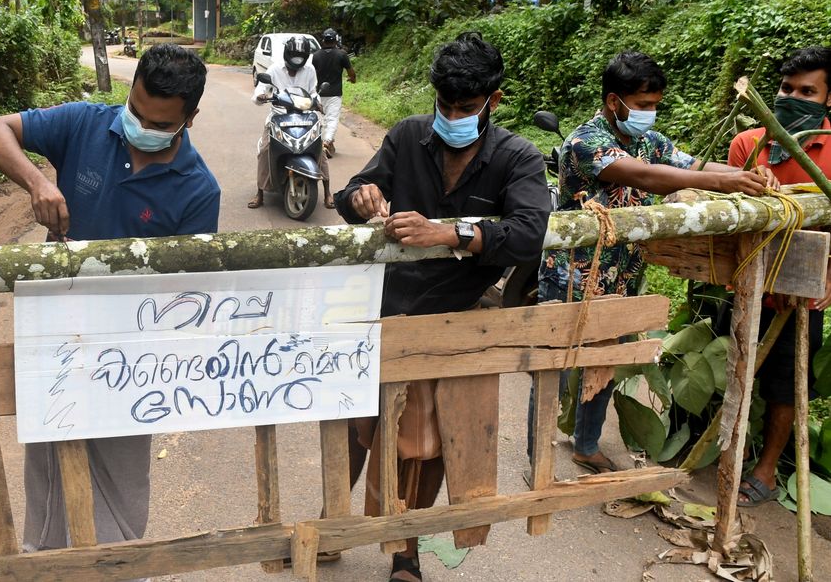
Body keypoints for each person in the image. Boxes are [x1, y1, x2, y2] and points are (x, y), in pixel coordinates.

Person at [0, 44, 220, 553]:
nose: (141, 126)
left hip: (133, 354)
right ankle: (47, 560)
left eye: (160, 123)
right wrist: (38, 181)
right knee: (49, 456)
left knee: (121, 469)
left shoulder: (199, 191)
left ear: (189, 118)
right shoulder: (85, 123)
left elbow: (187, 294)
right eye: (136, 112)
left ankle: (118, 561)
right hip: (55, 335)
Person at [334, 32, 551, 582]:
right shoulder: (408, 136)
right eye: (446, 105)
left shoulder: (518, 157)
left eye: (467, 108)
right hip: (380, 308)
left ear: (493, 102)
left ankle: (405, 551)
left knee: (423, 444)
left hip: (450, 320)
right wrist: (361, 196)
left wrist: (448, 233)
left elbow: (528, 235)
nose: (453, 116)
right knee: (352, 422)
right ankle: (332, 521)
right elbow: (353, 192)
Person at [531, 51, 776, 474]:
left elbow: (692, 165)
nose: (650, 112)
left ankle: (586, 445)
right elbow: (645, 176)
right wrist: (723, 180)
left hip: (624, 274)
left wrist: (751, 174)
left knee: (605, 363)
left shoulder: (652, 140)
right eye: (643, 105)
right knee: (554, 366)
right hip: (572, 276)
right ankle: (538, 448)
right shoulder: (584, 142)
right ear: (614, 101)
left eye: (654, 105)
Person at [727, 46, 831, 507]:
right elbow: (725, 217)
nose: (793, 97)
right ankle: (725, 447)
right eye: (787, 88)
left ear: (828, 99)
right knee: (734, 366)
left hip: (802, 290)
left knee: (789, 382)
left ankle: (766, 469)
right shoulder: (748, 144)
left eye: (807, 91)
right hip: (744, 281)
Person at [249, 36, 334, 209]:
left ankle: (327, 192)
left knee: (320, 149)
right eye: (295, 55)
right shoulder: (274, 69)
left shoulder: (309, 70)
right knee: (266, 149)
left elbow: (313, 91)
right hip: (279, 115)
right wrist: (262, 96)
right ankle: (260, 193)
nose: (297, 60)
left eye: (301, 56)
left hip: (305, 115)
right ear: (287, 54)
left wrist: (317, 102)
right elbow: (260, 91)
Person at [312, 28, 357, 161]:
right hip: (334, 93)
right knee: (332, 119)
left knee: (321, 119)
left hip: (319, 92)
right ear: (336, 40)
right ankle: (326, 141)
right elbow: (351, 72)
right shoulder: (341, 55)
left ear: (323, 40)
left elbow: (311, 74)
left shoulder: (315, 56)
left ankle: (324, 142)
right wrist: (352, 79)